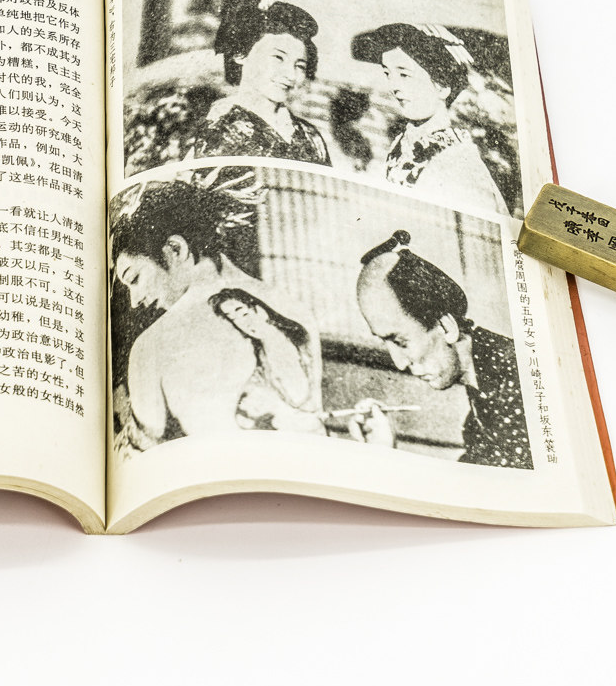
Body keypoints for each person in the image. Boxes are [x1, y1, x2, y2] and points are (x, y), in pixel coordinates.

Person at [110, 175, 323, 449]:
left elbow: (145, 452)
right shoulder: (293, 308)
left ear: (175, 249)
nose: (135, 300)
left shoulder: (150, 346)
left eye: (135, 278)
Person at [351, 229, 533, 469]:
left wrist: (387, 458)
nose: (399, 363)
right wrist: (384, 449)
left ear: (447, 328)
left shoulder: (520, 383)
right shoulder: (485, 397)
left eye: (401, 342)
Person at [351, 22, 507, 214]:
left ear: (442, 87)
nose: (394, 86)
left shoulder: (458, 162)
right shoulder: (402, 144)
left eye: (404, 75)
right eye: (387, 74)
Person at [191, 0, 331, 165]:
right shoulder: (216, 128)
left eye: (300, 65)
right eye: (278, 58)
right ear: (240, 54)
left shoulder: (310, 135)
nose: (291, 74)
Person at [208, 287, 325, 434]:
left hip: (304, 424)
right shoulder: (262, 348)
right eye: (233, 318)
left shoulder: (286, 341)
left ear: (260, 310)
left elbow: (300, 398)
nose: (242, 323)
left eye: (244, 313)